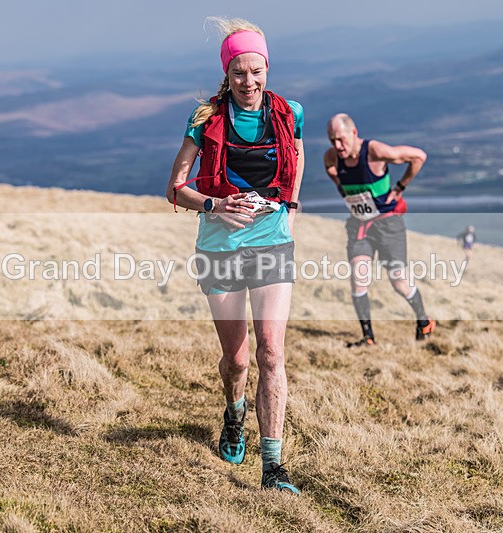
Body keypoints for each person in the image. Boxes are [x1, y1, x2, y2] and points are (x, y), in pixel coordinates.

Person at [166, 17, 304, 494]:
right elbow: (175, 187)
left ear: (268, 70)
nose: (250, 81)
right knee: (239, 361)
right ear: (228, 72)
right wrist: (215, 204)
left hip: (270, 243)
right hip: (220, 246)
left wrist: (290, 205)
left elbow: (297, 155)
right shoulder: (205, 118)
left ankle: (273, 466)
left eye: (258, 71)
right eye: (240, 72)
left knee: (271, 352)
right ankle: (233, 412)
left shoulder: (289, 113)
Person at [324, 113, 435, 347]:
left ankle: (424, 321)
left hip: (387, 224)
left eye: (341, 139)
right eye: (332, 140)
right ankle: (368, 338)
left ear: (354, 134)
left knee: (399, 282)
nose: (337, 145)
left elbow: (418, 156)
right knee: (358, 278)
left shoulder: (374, 151)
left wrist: (400, 186)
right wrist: (343, 190)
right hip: (359, 225)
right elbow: (330, 167)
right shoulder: (332, 156)